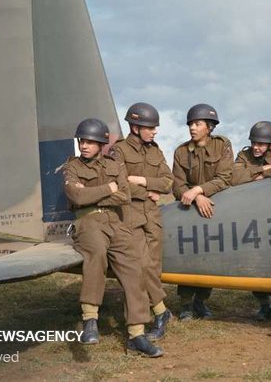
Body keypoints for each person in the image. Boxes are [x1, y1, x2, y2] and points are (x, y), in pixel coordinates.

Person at [63, 118, 163, 357]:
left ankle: (136, 334)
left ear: (100, 144)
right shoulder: (72, 167)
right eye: (82, 141)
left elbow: (125, 196)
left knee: (135, 265)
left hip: (116, 223)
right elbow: (76, 197)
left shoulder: (114, 164)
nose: (84, 146)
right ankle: (90, 319)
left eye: (90, 142)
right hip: (87, 222)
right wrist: (109, 189)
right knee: (96, 253)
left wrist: (92, 194)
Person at [110, 103, 174, 341]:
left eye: (155, 127)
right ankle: (160, 311)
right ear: (135, 127)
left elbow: (168, 182)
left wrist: (143, 180)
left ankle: (156, 314)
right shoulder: (119, 151)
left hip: (152, 218)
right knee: (141, 266)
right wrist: (147, 191)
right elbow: (121, 185)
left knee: (153, 270)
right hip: (130, 216)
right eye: (150, 127)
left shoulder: (155, 151)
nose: (154, 131)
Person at [172, 103, 233, 320]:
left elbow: (226, 178)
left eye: (197, 124)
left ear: (209, 126)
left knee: (211, 256)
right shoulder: (181, 152)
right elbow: (177, 185)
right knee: (189, 255)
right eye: (190, 124)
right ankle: (186, 304)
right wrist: (196, 195)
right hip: (189, 208)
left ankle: (201, 301)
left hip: (215, 207)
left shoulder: (222, 146)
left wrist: (200, 189)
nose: (192, 128)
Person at [231, 120, 271, 323]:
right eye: (254, 142)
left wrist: (262, 173)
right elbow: (235, 178)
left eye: (261, 144)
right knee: (255, 261)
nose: (256, 147)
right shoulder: (245, 155)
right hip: (252, 214)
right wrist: (264, 169)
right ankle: (263, 305)